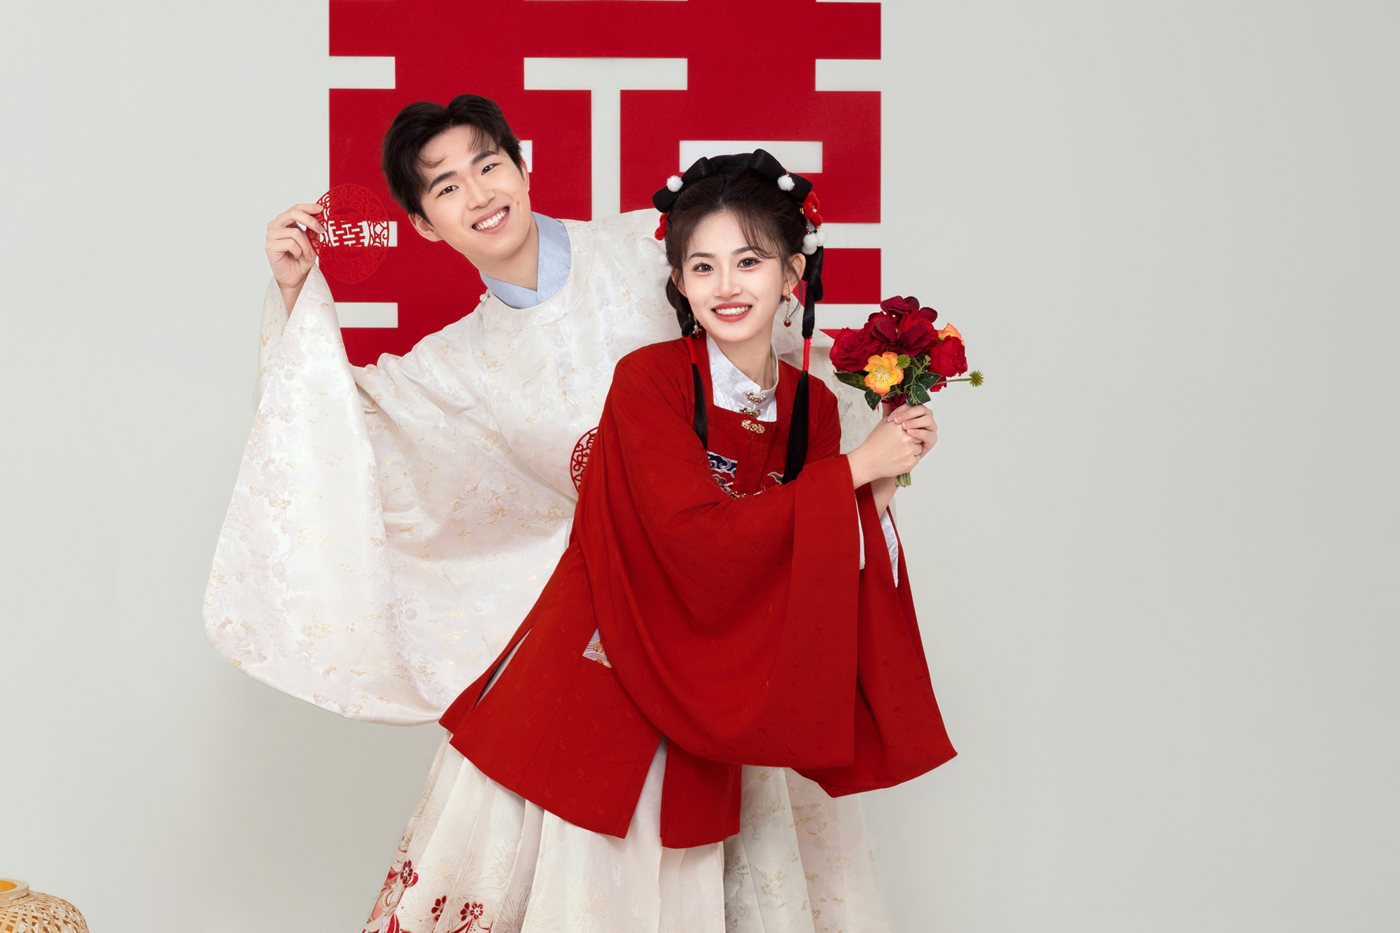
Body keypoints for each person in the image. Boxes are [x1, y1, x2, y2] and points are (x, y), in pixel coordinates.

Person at [357, 153, 956, 933]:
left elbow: (810, 562)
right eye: (702, 266)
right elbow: (686, 537)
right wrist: (851, 471)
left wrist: (877, 483)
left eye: (750, 261)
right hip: (605, 656)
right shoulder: (648, 380)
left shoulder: (810, 405)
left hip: (716, 676)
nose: (726, 285)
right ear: (677, 282)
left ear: (792, 273)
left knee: (686, 892)